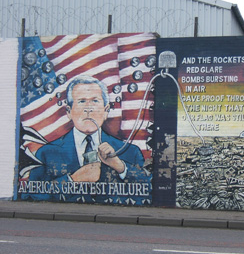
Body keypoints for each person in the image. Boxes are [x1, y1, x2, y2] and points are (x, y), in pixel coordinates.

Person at [26, 75, 151, 203]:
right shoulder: (47, 153)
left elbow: (150, 192)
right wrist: (73, 180)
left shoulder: (130, 152)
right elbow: (31, 196)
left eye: (95, 101)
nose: (88, 108)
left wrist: (120, 167)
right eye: (81, 101)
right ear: (69, 111)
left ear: (106, 111)